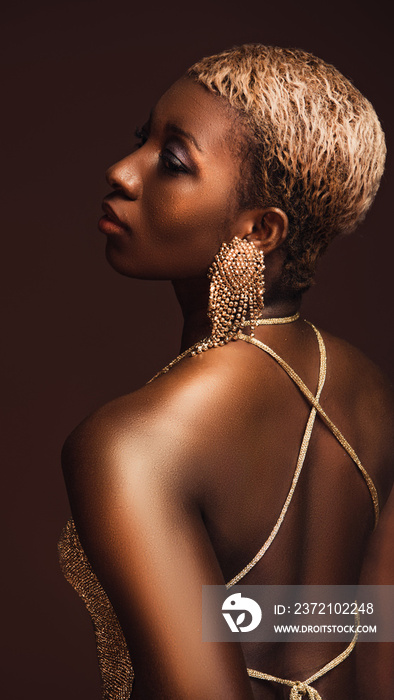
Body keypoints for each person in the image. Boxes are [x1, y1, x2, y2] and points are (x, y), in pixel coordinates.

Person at [58, 45, 394, 699]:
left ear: (261, 228)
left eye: (173, 162)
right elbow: (379, 644)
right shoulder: (370, 389)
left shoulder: (134, 440)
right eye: (142, 141)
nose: (122, 172)